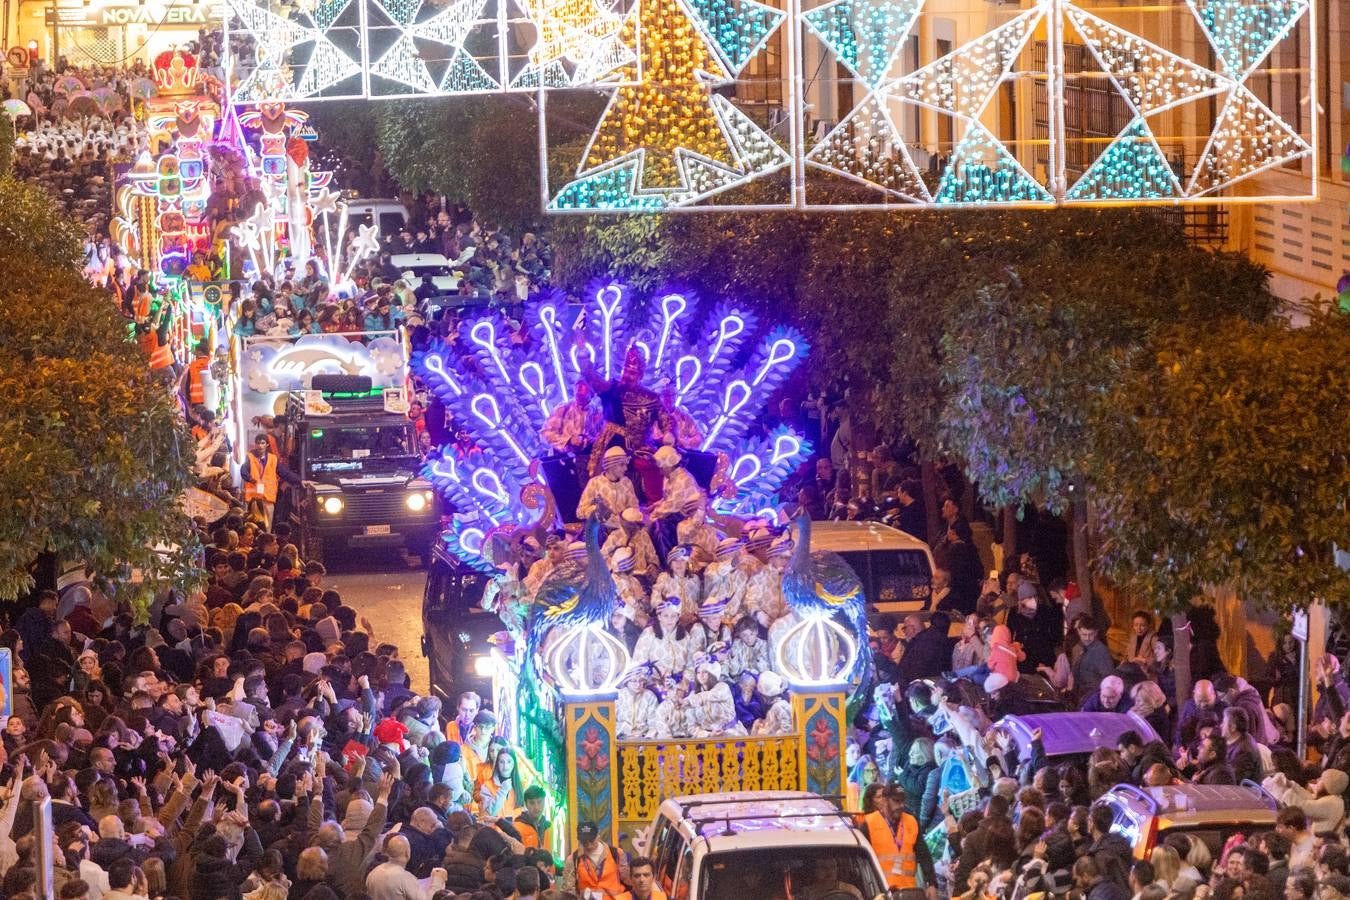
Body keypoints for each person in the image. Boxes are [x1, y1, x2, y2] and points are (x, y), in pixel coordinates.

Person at [860, 784, 937, 897]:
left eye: (902, 801)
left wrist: (931, 883)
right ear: (885, 800)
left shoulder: (911, 821)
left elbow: (924, 855)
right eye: (896, 801)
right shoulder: (868, 824)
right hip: (881, 893)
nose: (901, 805)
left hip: (909, 892)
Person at [241, 434, 308, 530]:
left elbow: (285, 473)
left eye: (262, 443)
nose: (260, 446)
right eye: (258, 443)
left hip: (268, 499)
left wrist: (300, 480)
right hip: (254, 500)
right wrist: (250, 478)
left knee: (267, 528)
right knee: (253, 527)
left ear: (267, 445)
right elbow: (243, 470)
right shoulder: (250, 457)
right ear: (255, 444)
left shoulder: (273, 459)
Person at [562, 820, 629, 897]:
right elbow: (568, 891)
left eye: (591, 840)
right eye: (584, 842)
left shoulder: (617, 853)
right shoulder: (573, 859)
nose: (589, 845)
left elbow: (627, 880)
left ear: (598, 835)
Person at [577, 446, 640, 528]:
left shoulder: (626, 482)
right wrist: (597, 509)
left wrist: (631, 516)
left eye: (625, 464)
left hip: (624, 529)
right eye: (622, 465)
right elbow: (580, 512)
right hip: (601, 532)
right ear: (611, 466)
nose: (626, 468)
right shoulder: (595, 483)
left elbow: (634, 507)